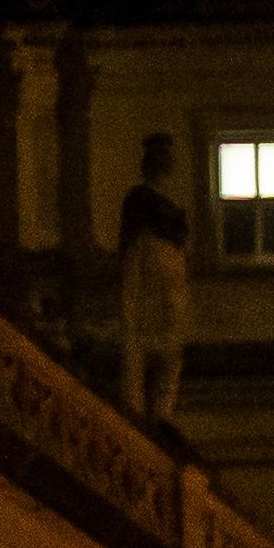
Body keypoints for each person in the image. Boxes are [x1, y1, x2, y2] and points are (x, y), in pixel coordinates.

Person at [116, 131, 192, 424]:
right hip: (149, 284)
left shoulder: (161, 204)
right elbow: (131, 252)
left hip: (167, 286)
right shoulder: (139, 200)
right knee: (141, 353)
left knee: (166, 356)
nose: (166, 163)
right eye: (161, 157)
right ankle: (142, 414)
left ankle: (160, 416)